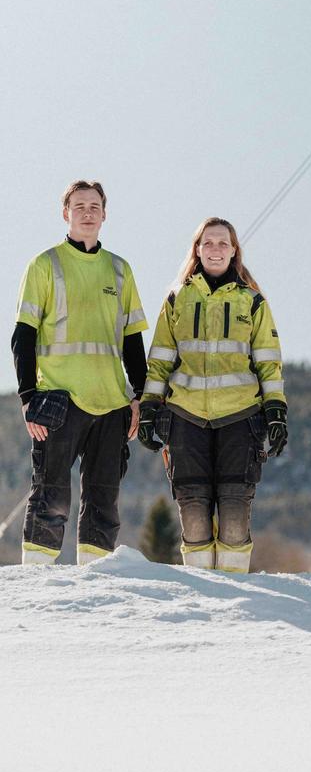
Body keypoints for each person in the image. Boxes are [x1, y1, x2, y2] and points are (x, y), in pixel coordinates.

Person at [137, 218, 287, 573]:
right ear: (197, 250)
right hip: (185, 417)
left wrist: (276, 411)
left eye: (223, 243)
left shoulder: (252, 302)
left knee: (235, 513)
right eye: (209, 243)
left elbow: (269, 362)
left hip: (240, 417)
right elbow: (159, 360)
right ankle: (203, 590)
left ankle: (236, 592)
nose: (216, 249)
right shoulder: (177, 299)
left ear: (234, 251)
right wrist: (147, 410)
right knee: (193, 510)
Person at [12, 180, 148, 565]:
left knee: (104, 497)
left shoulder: (120, 270)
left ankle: (94, 582)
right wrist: (27, 397)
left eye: (94, 206)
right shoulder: (45, 264)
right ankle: (36, 581)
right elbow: (23, 335)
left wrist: (139, 396)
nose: (87, 212)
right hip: (58, 398)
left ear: (104, 214)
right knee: (51, 493)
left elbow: (133, 342)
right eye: (78, 205)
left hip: (112, 402)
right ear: (65, 213)